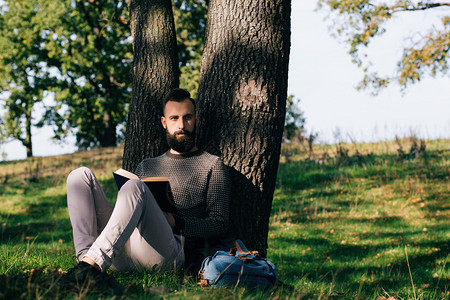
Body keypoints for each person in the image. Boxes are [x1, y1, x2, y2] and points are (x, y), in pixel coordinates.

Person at [63, 88, 231, 285]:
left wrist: (176, 222)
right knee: (79, 176)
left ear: (196, 120)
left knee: (135, 187)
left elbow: (219, 224)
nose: (181, 125)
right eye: (174, 118)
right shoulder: (147, 165)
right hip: (126, 249)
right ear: (164, 122)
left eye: (188, 118)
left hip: (169, 252)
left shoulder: (212, 165)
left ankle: (91, 265)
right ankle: (84, 263)